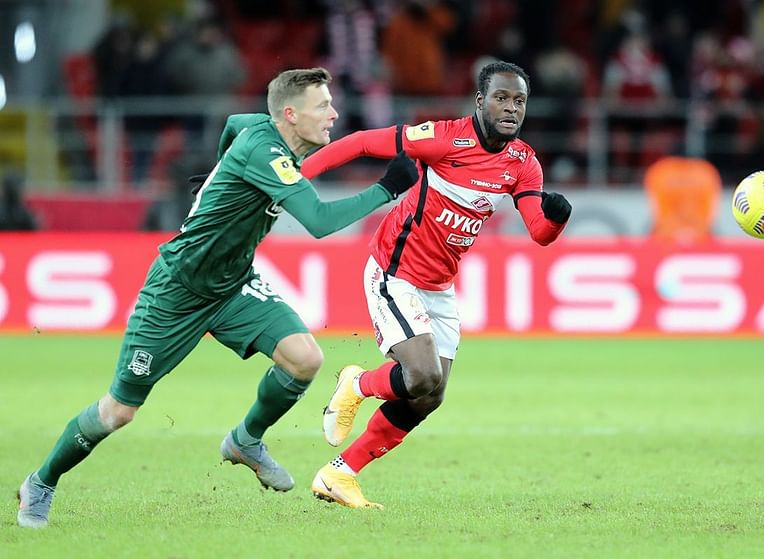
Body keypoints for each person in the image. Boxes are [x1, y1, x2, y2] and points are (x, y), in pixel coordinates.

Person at [16, 67, 419, 528]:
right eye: (322, 106)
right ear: (290, 114)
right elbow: (320, 221)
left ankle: (246, 441)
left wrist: (217, 174)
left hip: (232, 283)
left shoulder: (256, 130)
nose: (334, 113)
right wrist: (387, 187)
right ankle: (41, 481)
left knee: (304, 358)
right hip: (176, 291)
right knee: (118, 412)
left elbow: (232, 123)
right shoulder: (267, 154)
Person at [300, 61, 573, 509]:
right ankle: (359, 384)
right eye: (501, 98)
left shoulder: (522, 163)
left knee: (431, 396)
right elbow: (363, 142)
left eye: (519, 101)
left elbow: (539, 233)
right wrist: (296, 176)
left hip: (439, 285)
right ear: (480, 101)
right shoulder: (445, 137)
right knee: (421, 373)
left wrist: (558, 218)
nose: (511, 108)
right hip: (395, 269)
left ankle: (339, 474)